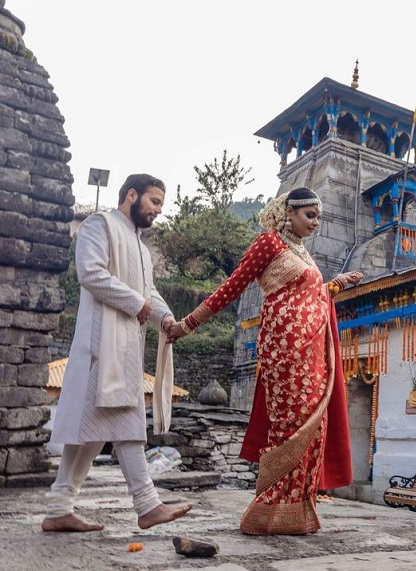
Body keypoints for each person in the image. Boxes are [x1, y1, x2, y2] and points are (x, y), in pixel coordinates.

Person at [170, 186, 361, 535]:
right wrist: (188, 324)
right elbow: (232, 286)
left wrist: (334, 286)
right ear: (289, 212)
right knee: (289, 424)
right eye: (309, 215)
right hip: (284, 348)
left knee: (314, 425)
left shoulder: (303, 254)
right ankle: (266, 510)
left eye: (319, 217)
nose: (315, 222)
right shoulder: (268, 244)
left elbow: (309, 296)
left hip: (313, 350)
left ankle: (296, 510)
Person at [42, 174, 193, 532]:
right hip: (101, 345)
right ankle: (147, 503)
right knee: (125, 419)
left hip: (127, 345)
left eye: (161, 205)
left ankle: (58, 507)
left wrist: (166, 316)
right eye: (155, 202)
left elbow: (149, 291)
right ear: (131, 194)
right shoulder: (100, 225)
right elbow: (90, 274)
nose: (158, 211)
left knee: (92, 432)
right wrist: (137, 303)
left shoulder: (141, 247)